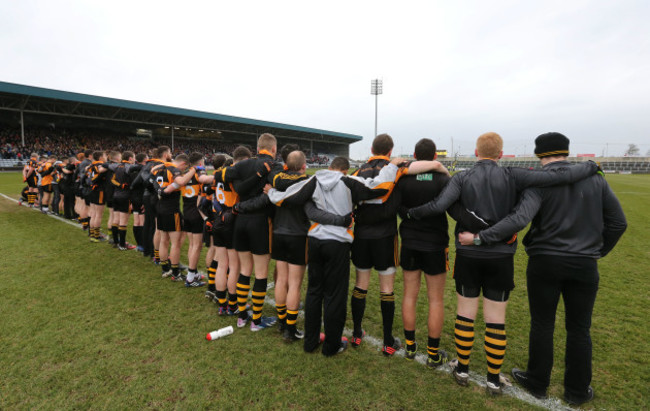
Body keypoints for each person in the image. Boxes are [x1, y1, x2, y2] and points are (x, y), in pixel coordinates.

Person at [406, 131, 600, 394]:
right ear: (500, 154)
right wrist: (589, 166)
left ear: (476, 153)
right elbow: (560, 175)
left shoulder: (462, 177)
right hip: (501, 256)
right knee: (496, 318)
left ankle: (462, 369)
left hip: (469, 254)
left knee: (465, 313)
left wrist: (409, 213)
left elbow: (440, 205)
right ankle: (493, 379)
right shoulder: (513, 174)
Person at [459, 132, 627, 405]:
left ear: (540, 155)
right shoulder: (596, 180)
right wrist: (596, 252)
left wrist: (480, 237)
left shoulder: (539, 184)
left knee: (543, 323)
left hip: (545, 261)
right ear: (567, 151)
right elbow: (619, 223)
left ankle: (537, 381)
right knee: (579, 328)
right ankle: (577, 391)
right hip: (584, 264)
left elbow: (519, 219)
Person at [394, 138, 488, 368]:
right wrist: (487, 229)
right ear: (435, 156)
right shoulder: (443, 178)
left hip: (410, 242)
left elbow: (397, 208)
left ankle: (410, 347)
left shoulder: (403, 178)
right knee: (435, 300)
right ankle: (433, 354)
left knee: (409, 295)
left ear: (415, 156)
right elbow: (456, 210)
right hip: (435, 244)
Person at [212, 133, 282, 331]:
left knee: (244, 270)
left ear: (257, 147)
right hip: (261, 222)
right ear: (274, 149)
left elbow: (219, 176)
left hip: (240, 222)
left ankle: (242, 316)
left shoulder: (243, 164)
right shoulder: (274, 166)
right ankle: (257, 321)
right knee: (260, 274)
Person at [153, 153, 193, 281]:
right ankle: (176, 273)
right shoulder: (174, 170)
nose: (183, 171)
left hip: (160, 207)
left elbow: (151, 172)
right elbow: (181, 181)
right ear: (182, 164)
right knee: (175, 243)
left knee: (164, 240)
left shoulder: (160, 168)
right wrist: (193, 170)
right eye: (184, 168)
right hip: (171, 210)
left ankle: (165, 269)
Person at [180, 152, 208, 287]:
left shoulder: (185, 174)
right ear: (200, 163)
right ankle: (191, 277)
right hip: (197, 213)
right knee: (197, 246)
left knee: (192, 245)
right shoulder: (198, 174)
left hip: (186, 211)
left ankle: (193, 272)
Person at [110, 151, 136, 251]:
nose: (134, 160)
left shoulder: (116, 166)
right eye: (134, 158)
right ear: (130, 158)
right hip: (125, 196)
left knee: (116, 219)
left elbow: (112, 180)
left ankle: (116, 241)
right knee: (123, 221)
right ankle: (122, 244)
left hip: (116, 195)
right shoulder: (129, 167)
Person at [86, 151, 109, 242]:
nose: (106, 157)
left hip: (92, 190)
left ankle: (92, 234)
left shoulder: (91, 166)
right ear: (100, 157)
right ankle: (96, 236)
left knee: (93, 214)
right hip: (99, 190)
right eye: (104, 156)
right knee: (98, 215)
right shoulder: (101, 165)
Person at [128, 153, 148, 251]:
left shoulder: (131, 169)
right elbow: (145, 186)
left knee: (136, 221)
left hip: (133, 198)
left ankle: (139, 244)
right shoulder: (144, 170)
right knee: (142, 222)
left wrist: (131, 201)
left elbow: (130, 186)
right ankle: (144, 244)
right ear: (144, 160)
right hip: (141, 198)